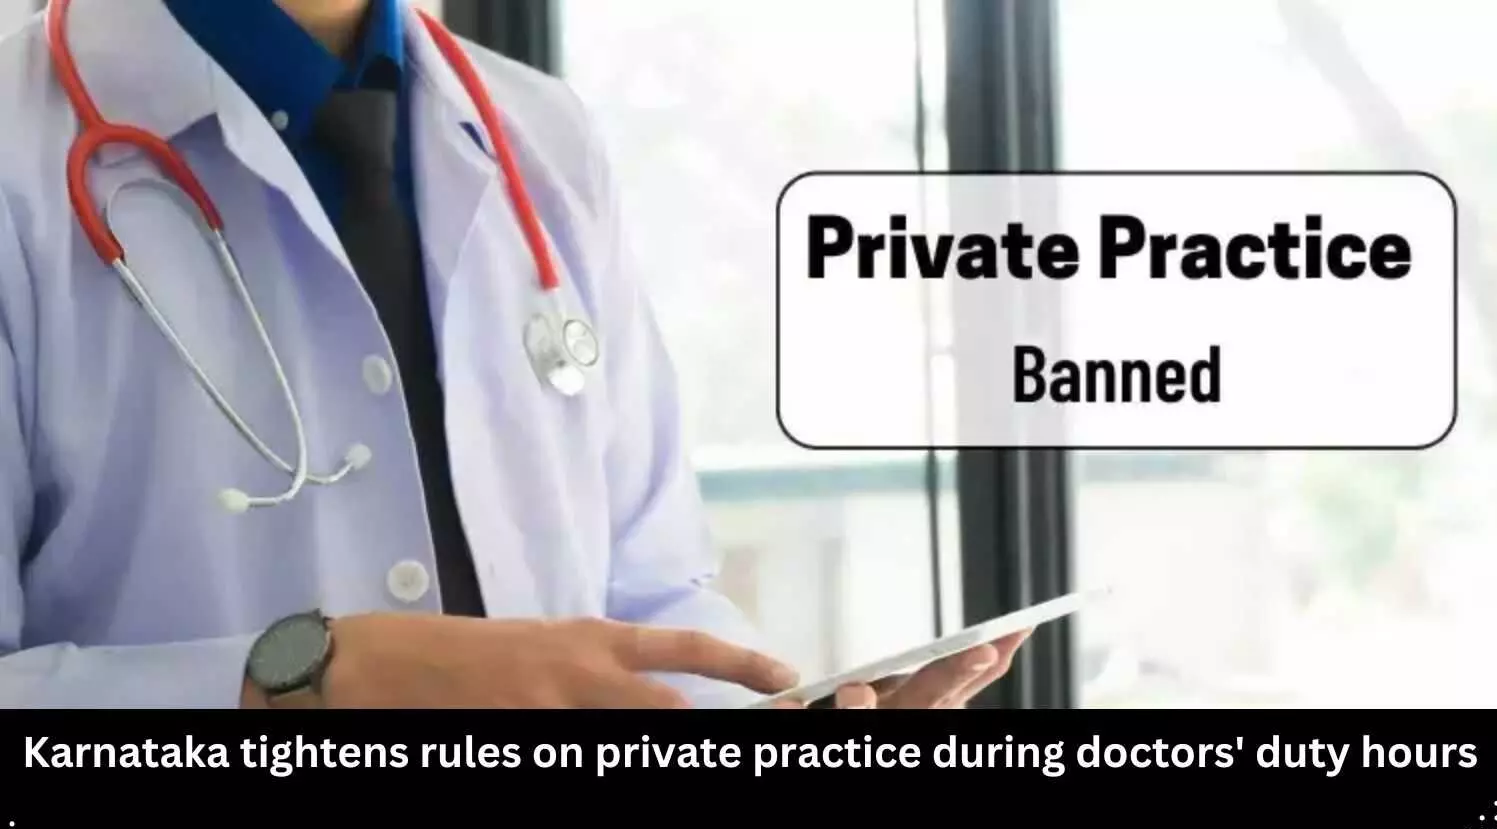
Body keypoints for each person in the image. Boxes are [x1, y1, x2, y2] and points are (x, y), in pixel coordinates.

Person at [0, 0, 1027, 709]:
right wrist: (307, 679)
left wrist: (771, 719)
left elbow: (648, 592)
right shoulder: (18, 157)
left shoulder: (544, 134)